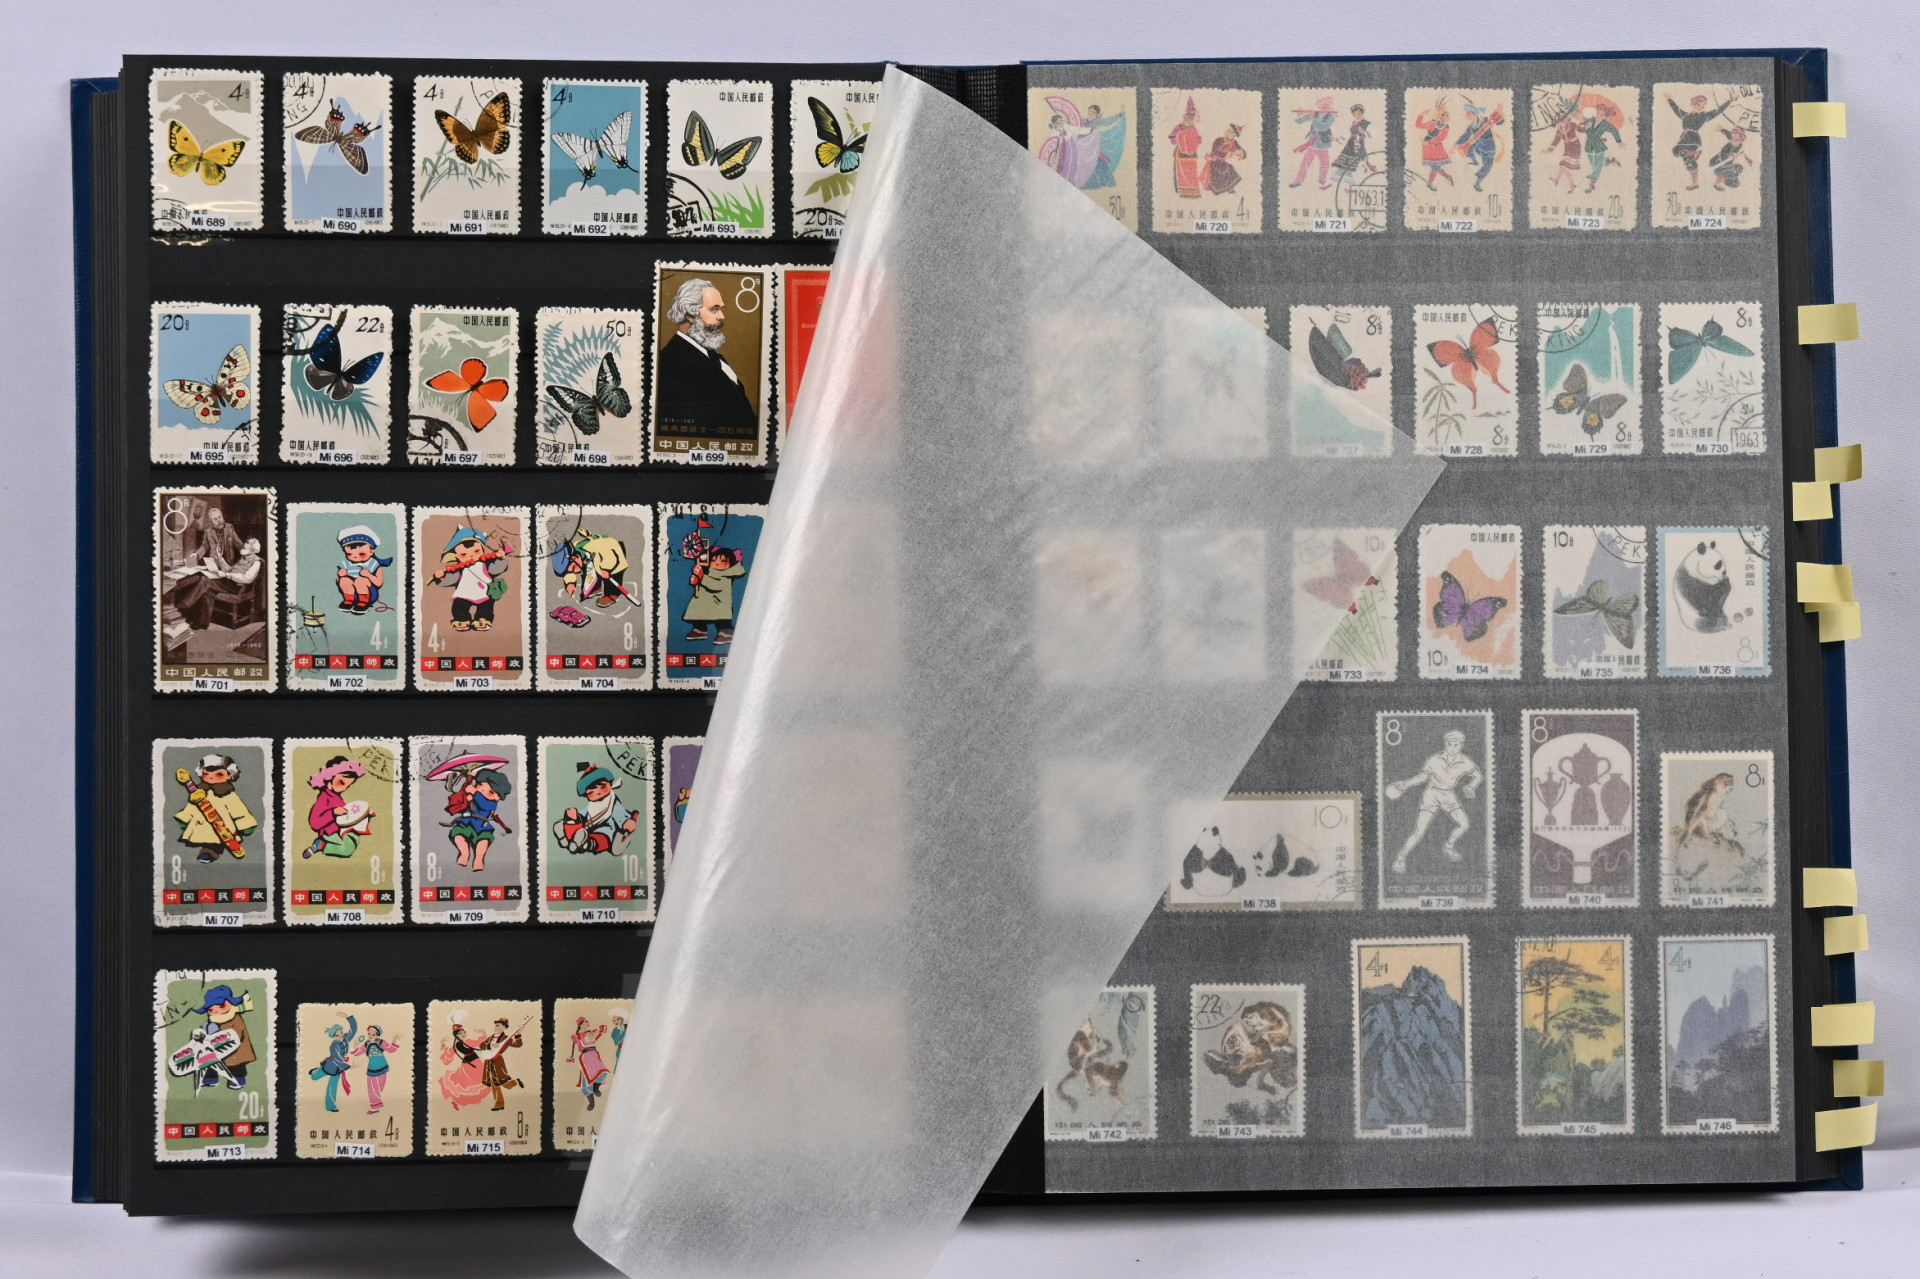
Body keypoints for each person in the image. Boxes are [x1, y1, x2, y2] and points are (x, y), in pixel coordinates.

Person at [656, 278, 757, 432]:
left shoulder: (714, 358)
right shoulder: (670, 362)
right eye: (714, 309)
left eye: (721, 309)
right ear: (690, 314)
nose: (721, 316)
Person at [1384, 729, 1483, 873]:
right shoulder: (1434, 760)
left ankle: (1448, 846)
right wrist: (1406, 784)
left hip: (1448, 795)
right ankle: (1401, 857)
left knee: (1464, 825)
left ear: (1461, 746)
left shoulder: (1466, 762)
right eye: (1449, 744)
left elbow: (1478, 775)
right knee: (1419, 832)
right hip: (1431, 795)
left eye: (1456, 745)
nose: (1452, 747)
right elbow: (1422, 777)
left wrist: (1471, 786)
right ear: (1445, 744)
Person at [173, 752, 258, 865]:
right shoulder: (199, 793)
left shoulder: (230, 796)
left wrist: (245, 825)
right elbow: (192, 809)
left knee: (219, 841)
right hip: (203, 827)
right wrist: (184, 819)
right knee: (205, 838)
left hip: (225, 829)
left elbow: (239, 812)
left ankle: (212, 851)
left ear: (229, 775)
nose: (211, 777)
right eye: (206, 774)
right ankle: (207, 851)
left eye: (219, 774)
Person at [431, 528, 510, 633]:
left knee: (486, 605)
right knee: (459, 605)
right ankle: (461, 619)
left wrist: (501, 559)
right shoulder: (459, 569)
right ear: (456, 556)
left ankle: (483, 619)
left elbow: (498, 568)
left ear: (482, 549)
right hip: (464, 593)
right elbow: (452, 579)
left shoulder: (486, 565)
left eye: (476, 551)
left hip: (483, 592)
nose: (471, 556)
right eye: (464, 554)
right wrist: (440, 578)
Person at [556, 762, 640, 855]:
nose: (598, 792)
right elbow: (584, 815)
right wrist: (575, 817)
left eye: (603, 786)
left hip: (606, 827)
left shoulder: (613, 802)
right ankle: (567, 835)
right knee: (577, 821)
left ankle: (585, 844)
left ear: (610, 784)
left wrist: (629, 822)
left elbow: (621, 815)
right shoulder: (591, 805)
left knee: (604, 835)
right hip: (586, 827)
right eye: (591, 792)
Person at [303, 755, 369, 859]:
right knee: (347, 849)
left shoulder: (337, 798)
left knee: (355, 840)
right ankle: (322, 845)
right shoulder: (324, 798)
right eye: (342, 783)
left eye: (347, 786)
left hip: (340, 830)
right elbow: (315, 823)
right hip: (329, 833)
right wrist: (333, 812)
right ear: (329, 780)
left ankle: (322, 844)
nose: (344, 788)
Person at [193, 984, 258, 1089]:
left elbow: (237, 1034)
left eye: (221, 1006)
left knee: (235, 1065)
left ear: (231, 1003)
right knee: (208, 1060)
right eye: (211, 1009)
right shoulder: (212, 1021)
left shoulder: (234, 1018)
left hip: (235, 1050)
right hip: (216, 1049)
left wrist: (220, 1039)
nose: (215, 1011)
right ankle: (210, 1078)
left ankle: (238, 1080)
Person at [682, 545, 747, 644]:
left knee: (722, 620)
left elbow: (716, 585)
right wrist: (697, 578)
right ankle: (700, 630)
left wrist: (701, 578)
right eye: (713, 560)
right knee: (697, 615)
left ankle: (727, 634)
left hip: (719, 602)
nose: (717, 563)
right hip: (705, 601)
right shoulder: (709, 571)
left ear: (731, 564)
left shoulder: (726, 575)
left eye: (722, 561)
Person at [450, 767, 511, 872]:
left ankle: (479, 859)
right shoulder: (473, 794)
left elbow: (484, 805)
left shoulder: (492, 803)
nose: (483, 791)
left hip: (482, 827)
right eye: (480, 786)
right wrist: (467, 790)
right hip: (465, 823)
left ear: (498, 797)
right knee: (458, 835)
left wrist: (475, 793)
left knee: (483, 841)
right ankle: (464, 853)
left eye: (490, 792)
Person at [1667, 92, 1731, 190]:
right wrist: (1669, 99)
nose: (1702, 107)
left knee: (1681, 152)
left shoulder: (1703, 116)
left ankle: (1693, 153)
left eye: (1704, 105)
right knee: (1686, 161)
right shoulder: (1685, 115)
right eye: (1701, 104)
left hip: (1693, 139)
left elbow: (1717, 111)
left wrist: (1729, 101)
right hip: (1684, 139)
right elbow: (1676, 109)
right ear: (1694, 103)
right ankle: (1695, 183)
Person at [554, 527, 630, 609]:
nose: (575, 572)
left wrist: (606, 569)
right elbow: (569, 571)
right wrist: (570, 583)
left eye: (573, 568)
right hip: (597, 559)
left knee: (612, 576)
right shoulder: (575, 553)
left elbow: (610, 554)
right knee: (591, 571)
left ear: (575, 558)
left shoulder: (595, 547)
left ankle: (612, 594)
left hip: (613, 554)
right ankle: (596, 587)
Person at [335, 525, 390, 614]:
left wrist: (369, 575)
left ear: (371, 551)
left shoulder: (373, 564)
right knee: (344, 580)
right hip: (351, 594)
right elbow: (339, 582)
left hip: (369, 594)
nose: (355, 557)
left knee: (361, 580)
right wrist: (340, 575)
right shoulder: (346, 564)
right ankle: (348, 601)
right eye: (349, 554)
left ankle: (364, 603)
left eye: (361, 554)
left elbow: (379, 583)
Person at [308, 1013, 357, 1112]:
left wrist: (348, 1017)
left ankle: (331, 1106)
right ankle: (313, 1072)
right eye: (337, 1035)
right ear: (333, 1036)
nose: (340, 1036)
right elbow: (337, 1058)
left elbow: (354, 1029)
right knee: (314, 1077)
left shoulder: (346, 1038)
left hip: (338, 1068)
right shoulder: (333, 1046)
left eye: (341, 1033)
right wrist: (348, 1066)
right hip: (330, 1065)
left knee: (333, 1085)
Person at [1455, 98, 1505, 192]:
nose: (1466, 115)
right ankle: (1477, 177)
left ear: (1474, 114)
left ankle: (1477, 182)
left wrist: (1499, 111)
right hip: (1480, 146)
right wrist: (1456, 144)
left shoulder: (1485, 120)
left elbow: (1500, 122)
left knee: (1488, 164)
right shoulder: (1471, 126)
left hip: (1489, 145)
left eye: (1468, 113)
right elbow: (1465, 136)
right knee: (1486, 164)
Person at [1290, 95, 1337, 188]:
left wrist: (1313, 118)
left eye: (1328, 107)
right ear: (1320, 107)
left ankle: (1322, 180)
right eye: (1324, 107)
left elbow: (1323, 127)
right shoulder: (1316, 113)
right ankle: (1297, 182)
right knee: (1305, 164)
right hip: (1312, 143)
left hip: (1323, 145)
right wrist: (1299, 115)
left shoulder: (1331, 117)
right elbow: (1300, 121)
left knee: (1325, 164)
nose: (1326, 109)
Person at [480, 1017, 525, 1112]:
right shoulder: (491, 1037)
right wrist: (490, 1045)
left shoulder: (505, 1038)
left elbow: (517, 1044)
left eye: (498, 1025)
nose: (495, 1027)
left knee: (503, 1083)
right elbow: (481, 1045)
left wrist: (518, 1034)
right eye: (495, 1025)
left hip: (497, 1062)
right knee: (494, 1084)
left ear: (504, 1027)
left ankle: (516, 1082)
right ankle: (499, 1105)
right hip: (489, 1063)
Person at [567, 1017, 612, 1111]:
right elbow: (574, 1039)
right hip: (586, 1057)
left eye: (588, 1021)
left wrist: (598, 1030)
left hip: (595, 1056)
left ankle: (596, 1088)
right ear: (581, 1024)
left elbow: (602, 1031)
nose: (588, 1023)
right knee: (587, 1079)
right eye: (586, 1021)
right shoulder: (578, 1035)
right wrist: (584, 1034)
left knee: (603, 1072)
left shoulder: (592, 1032)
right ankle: (592, 1102)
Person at [352, 1023, 399, 1113]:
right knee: (372, 1089)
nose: (370, 1036)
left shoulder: (381, 1042)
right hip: (372, 1069)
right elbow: (357, 1053)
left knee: (380, 1087)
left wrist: (396, 1039)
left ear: (378, 1035)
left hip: (383, 1068)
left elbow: (391, 1049)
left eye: (373, 1034)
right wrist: (355, 1044)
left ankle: (379, 1104)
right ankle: (375, 1107)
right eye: (369, 1034)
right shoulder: (367, 1043)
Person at [1330, 103, 1378, 184]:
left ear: (1362, 113)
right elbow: (1347, 134)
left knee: (1353, 160)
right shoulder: (1354, 124)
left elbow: (1374, 133)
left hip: (1358, 144)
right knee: (1346, 158)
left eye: (1359, 113)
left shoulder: (1367, 123)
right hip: (1350, 144)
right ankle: (1342, 175)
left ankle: (1347, 176)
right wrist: (1337, 139)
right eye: (1354, 114)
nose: (1357, 116)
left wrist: (1364, 132)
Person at [1581, 105, 1624, 194]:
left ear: (1605, 116)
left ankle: (1591, 185)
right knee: (1595, 164)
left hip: (1599, 147)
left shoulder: (1606, 124)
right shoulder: (1590, 120)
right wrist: (1585, 126)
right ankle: (1611, 161)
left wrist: (1619, 142)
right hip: (1589, 146)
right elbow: (1581, 127)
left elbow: (1615, 131)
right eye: (1598, 113)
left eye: (1601, 115)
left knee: (1597, 167)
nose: (1598, 116)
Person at [1414, 97, 1453, 190]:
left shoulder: (1446, 127)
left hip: (1436, 147)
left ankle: (1436, 181)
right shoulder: (1433, 123)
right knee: (1435, 166)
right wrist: (1422, 115)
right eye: (1446, 115)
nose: (1448, 117)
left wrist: (1429, 143)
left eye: (1448, 115)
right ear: (1441, 116)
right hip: (1429, 147)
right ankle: (1443, 178)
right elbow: (1419, 125)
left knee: (1436, 166)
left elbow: (1441, 138)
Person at [1168, 98, 1203, 199]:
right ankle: (1183, 192)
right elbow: (1172, 141)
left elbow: (1199, 141)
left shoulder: (1194, 129)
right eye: (1188, 119)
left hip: (1192, 154)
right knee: (1182, 173)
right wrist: (1182, 137)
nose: (1189, 121)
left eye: (1191, 119)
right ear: (1184, 118)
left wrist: (1192, 138)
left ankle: (1194, 192)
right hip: (1181, 154)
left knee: (1192, 173)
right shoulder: (1179, 127)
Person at [1543, 108, 1583, 192]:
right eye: (1561, 118)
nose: (1563, 120)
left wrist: (1581, 120)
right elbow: (1555, 141)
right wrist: (1548, 150)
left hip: (1575, 147)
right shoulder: (1559, 131)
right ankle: (1571, 185)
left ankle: (1557, 180)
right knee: (1564, 167)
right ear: (1558, 121)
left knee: (1564, 166)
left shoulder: (1572, 125)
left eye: (1565, 117)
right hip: (1568, 149)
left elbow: (1581, 129)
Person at [1204, 123, 1245, 195]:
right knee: (1221, 169)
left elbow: (1240, 150)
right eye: (1227, 130)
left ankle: (1229, 187)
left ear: (1234, 135)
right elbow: (1215, 152)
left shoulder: (1234, 142)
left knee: (1230, 168)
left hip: (1222, 162)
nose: (1227, 132)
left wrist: (1242, 153)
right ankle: (1213, 187)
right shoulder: (1219, 140)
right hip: (1214, 160)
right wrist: (1230, 153)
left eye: (1229, 131)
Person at [1708, 124, 1753, 190]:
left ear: (1741, 140)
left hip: (1725, 163)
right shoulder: (1728, 147)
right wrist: (1733, 158)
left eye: (1737, 139)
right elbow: (1724, 160)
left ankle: (1721, 181)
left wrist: (1722, 129)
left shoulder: (1739, 144)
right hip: (1716, 163)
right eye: (1732, 138)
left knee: (1736, 169)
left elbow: (1729, 135)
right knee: (1730, 171)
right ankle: (1717, 183)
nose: (1733, 140)